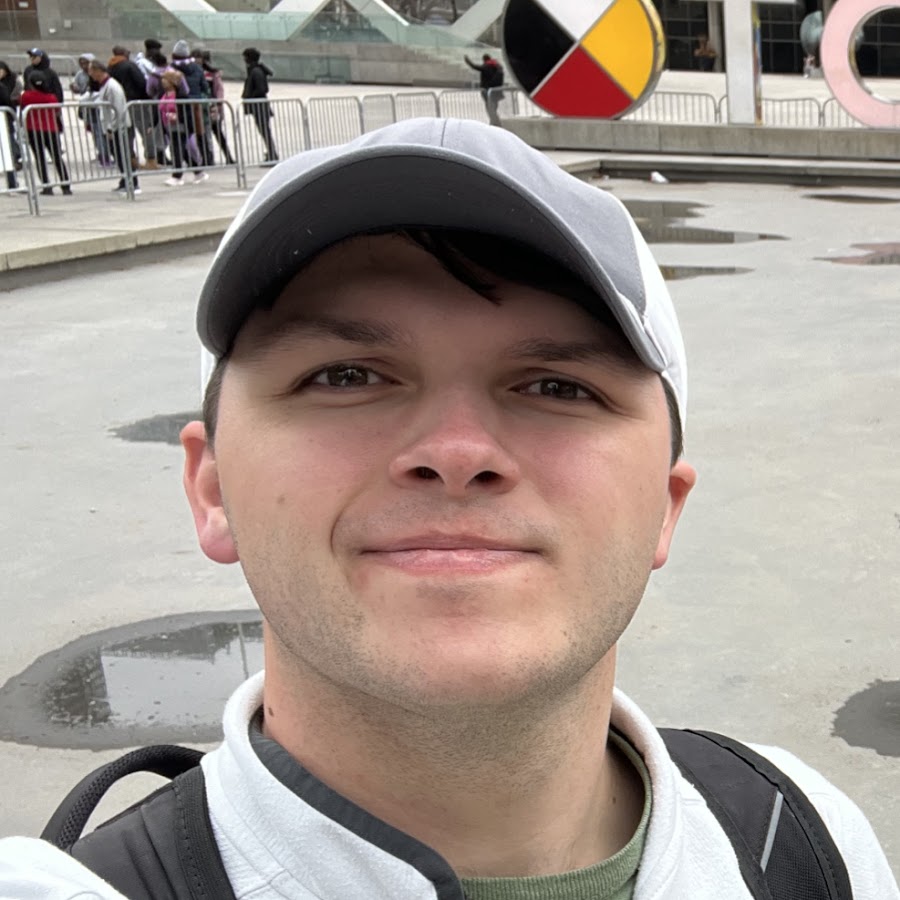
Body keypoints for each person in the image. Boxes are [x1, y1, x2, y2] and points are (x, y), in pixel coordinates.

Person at [0, 119, 898, 900]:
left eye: (556, 385)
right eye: (345, 376)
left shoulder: (807, 842)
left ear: (665, 508)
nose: (457, 451)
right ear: (213, 489)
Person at [88, 59, 139, 195]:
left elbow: (117, 109)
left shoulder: (112, 86)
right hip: (111, 126)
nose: (90, 74)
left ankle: (132, 183)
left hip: (119, 127)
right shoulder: (105, 85)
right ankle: (125, 180)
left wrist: (111, 128)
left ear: (98, 71)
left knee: (123, 155)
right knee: (118, 156)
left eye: (91, 71)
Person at [19, 70, 71, 195]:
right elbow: (57, 111)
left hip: (34, 130)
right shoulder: (51, 97)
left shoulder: (26, 96)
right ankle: (65, 185)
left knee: (40, 158)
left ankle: (46, 186)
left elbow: (22, 109)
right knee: (57, 157)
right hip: (51, 129)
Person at [171, 40, 210, 183]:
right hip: (194, 110)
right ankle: (198, 171)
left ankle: (178, 175)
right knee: (182, 141)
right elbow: (205, 87)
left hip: (176, 110)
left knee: (178, 142)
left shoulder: (171, 70)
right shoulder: (197, 69)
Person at [241, 46, 277, 164]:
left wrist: (250, 96)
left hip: (259, 106)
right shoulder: (256, 70)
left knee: (265, 131)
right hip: (259, 106)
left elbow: (262, 89)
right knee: (265, 131)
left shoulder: (255, 72)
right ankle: (271, 153)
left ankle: (272, 154)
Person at [198, 48, 235, 165]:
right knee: (216, 133)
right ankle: (222, 157)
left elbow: (219, 90)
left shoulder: (212, 74)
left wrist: (218, 104)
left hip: (210, 107)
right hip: (209, 106)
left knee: (213, 133)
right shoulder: (207, 73)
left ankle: (215, 158)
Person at [464, 52, 504, 126]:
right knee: (494, 107)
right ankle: (494, 122)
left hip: (487, 90)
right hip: (496, 91)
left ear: (484, 60)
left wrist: (467, 61)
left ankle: (496, 123)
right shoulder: (497, 66)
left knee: (489, 108)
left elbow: (474, 66)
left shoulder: (486, 66)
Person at [0, 60, 22, 189]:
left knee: (8, 152)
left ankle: (12, 182)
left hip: (5, 121)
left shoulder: (8, 83)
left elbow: (8, 102)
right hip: (4, 120)